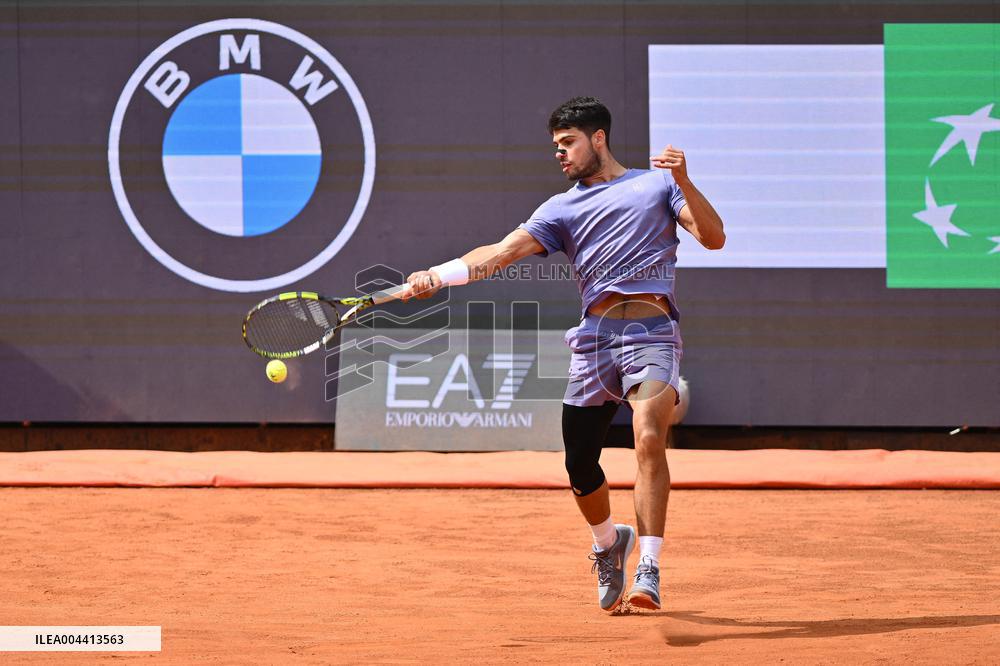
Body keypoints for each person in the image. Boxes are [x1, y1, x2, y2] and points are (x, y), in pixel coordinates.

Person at [404, 96, 725, 612]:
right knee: (579, 463)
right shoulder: (560, 208)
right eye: (555, 146)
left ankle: (648, 567)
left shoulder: (657, 185)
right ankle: (608, 544)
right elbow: (499, 253)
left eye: (568, 143)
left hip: (652, 332)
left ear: (598, 138)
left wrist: (685, 181)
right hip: (594, 338)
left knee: (648, 437)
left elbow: (714, 238)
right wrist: (437, 277)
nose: (560, 154)